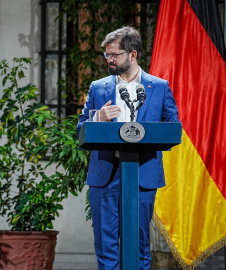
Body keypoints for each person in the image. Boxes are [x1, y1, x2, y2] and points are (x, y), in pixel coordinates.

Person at [76, 26, 180, 270]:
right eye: (107, 55)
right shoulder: (98, 87)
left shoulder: (160, 87)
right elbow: (81, 130)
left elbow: (173, 127)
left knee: (139, 242)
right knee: (105, 244)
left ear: (132, 55)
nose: (109, 59)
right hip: (105, 174)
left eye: (115, 55)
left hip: (143, 173)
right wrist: (97, 118)